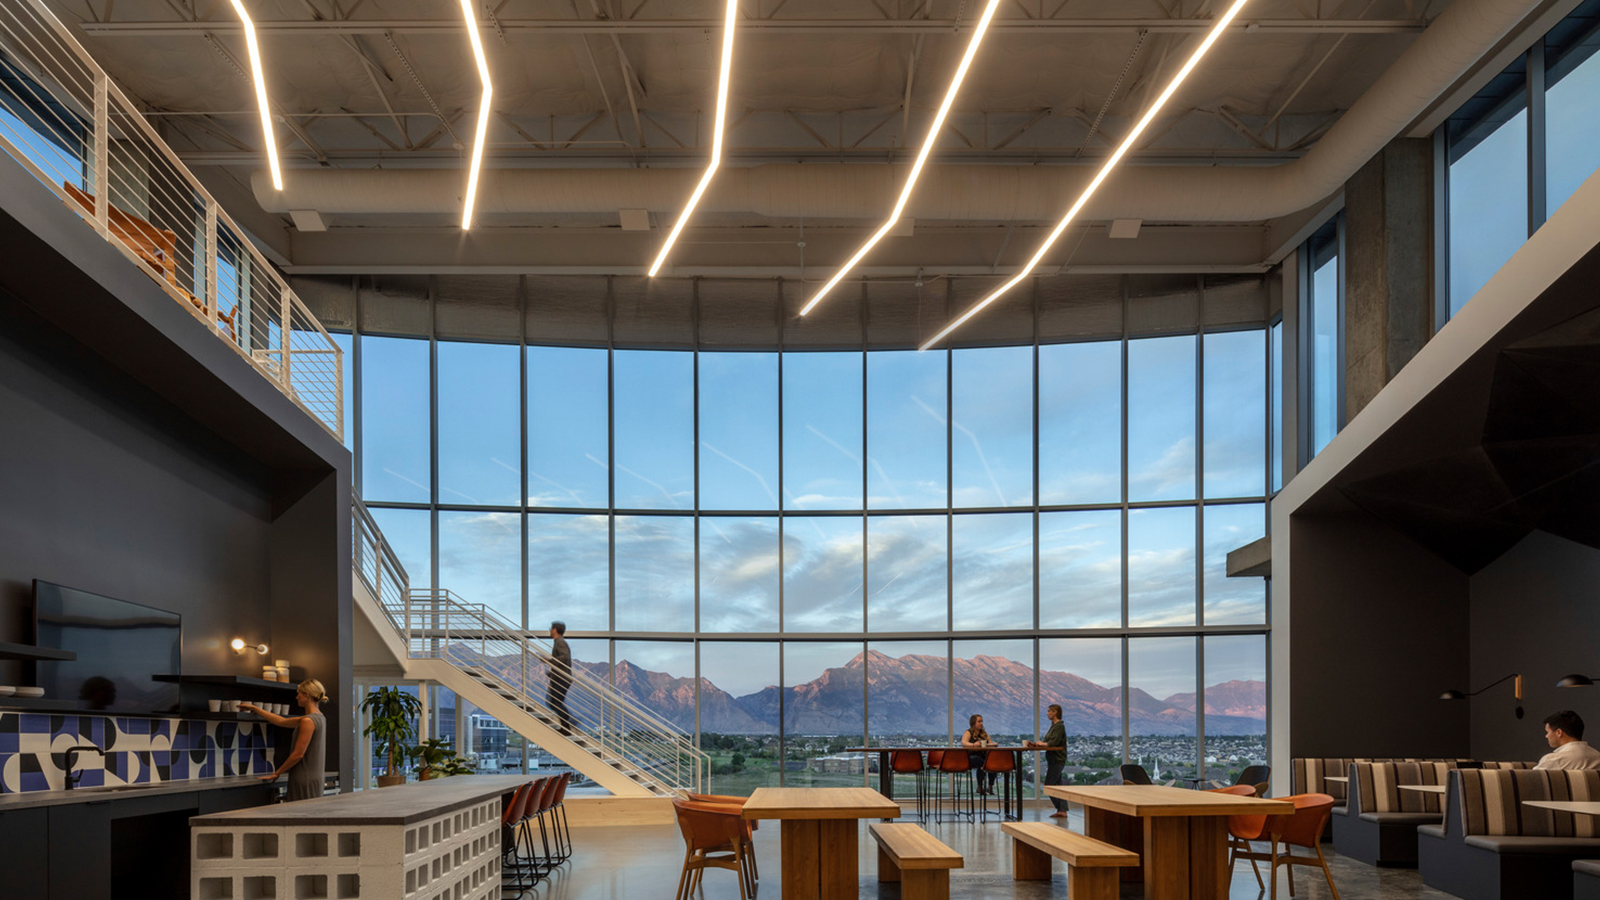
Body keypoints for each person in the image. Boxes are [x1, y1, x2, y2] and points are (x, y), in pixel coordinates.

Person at [242, 679, 328, 801]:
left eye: (299, 693)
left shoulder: (307, 721)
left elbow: (298, 754)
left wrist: (277, 773)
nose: (296, 697)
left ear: (307, 695)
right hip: (314, 777)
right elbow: (281, 721)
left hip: (304, 778)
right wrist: (255, 708)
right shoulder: (319, 718)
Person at [1026, 703, 1069, 817]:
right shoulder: (1054, 726)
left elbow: (1053, 743)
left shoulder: (1059, 726)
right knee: (1058, 785)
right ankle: (1062, 810)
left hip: (1057, 759)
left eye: (1049, 711)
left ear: (1055, 712)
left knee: (1049, 784)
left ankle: (1061, 808)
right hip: (1053, 759)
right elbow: (1048, 742)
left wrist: (1042, 744)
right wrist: (1036, 745)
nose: (1047, 713)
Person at [1535, 710, 1600, 770]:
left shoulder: (1552, 760)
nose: (1546, 736)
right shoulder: (1597, 757)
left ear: (1559, 732)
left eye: (1547, 732)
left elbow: (1531, 780)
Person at [961, 713, 999, 793]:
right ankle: (980, 786)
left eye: (982, 721)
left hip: (983, 755)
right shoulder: (968, 732)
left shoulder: (984, 733)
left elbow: (991, 744)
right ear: (973, 723)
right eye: (979, 721)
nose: (981, 723)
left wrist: (989, 744)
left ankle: (990, 786)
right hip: (971, 756)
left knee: (992, 762)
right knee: (980, 762)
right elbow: (964, 743)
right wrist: (974, 745)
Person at [547, 621, 573, 736]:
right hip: (560, 677)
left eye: (551, 628)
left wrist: (548, 661)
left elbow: (564, 657)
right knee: (553, 702)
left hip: (561, 678)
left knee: (554, 702)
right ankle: (566, 725)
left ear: (555, 630)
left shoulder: (560, 642)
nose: (549, 630)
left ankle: (567, 724)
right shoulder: (558, 642)